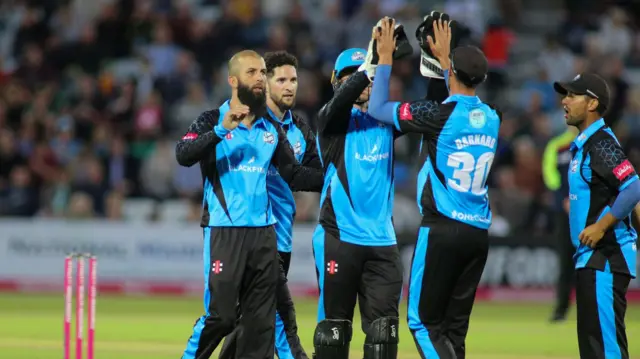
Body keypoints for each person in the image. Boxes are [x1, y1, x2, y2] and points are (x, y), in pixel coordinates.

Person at [175, 50, 324, 359]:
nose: (259, 78)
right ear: (233, 81)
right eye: (252, 72)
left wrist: (337, 175)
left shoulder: (271, 129)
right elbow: (183, 154)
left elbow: (294, 174)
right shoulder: (211, 119)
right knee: (222, 317)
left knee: (260, 325)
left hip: (264, 235)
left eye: (261, 72)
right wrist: (220, 131)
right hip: (224, 231)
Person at [368, 16, 500, 359]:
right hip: (477, 234)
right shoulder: (492, 117)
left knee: (422, 322)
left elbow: (378, 109)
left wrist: (384, 58)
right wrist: (447, 62)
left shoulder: (436, 115)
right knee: (453, 331)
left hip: (442, 228)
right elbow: (462, 92)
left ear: (452, 72)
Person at [310, 37, 409, 359]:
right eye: (350, 74)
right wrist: (370, 67)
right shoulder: (331, 120)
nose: (361, 80)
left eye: (363, 73)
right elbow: (339, 104)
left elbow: (429, 107)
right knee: (333, 334)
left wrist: (433, 66)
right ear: (336, 81)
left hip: (382, 241)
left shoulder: (387, 119)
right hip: (340, 235)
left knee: (384, 332)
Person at [218, 51, 318, 359]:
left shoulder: (300, 128)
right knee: (279, 319)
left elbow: (311, 175)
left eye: (294, 80)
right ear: (265, 81)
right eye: (281, 79)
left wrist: (335, 177)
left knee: (246, 322)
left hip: (282, 239)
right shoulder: (245, 120)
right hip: (250, 235)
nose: (289, 87)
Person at [554, 73, 640, 359]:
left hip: (605, 258)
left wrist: (600, 227)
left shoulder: (600, 142)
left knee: (605, 350)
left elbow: (634, 186)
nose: (564, 101)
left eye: (572, 95)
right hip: (592, 259)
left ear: (592, 103)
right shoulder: (585, 144)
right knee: (595, 350)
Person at [542, 127, 578, 322]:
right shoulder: (556, 145)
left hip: (589, 211)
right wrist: (564, 198)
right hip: (564, 212)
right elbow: (550, 176)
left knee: (591, 261)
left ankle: (594, 309)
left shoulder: (591, 142)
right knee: (565, 261)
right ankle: (561, 309)